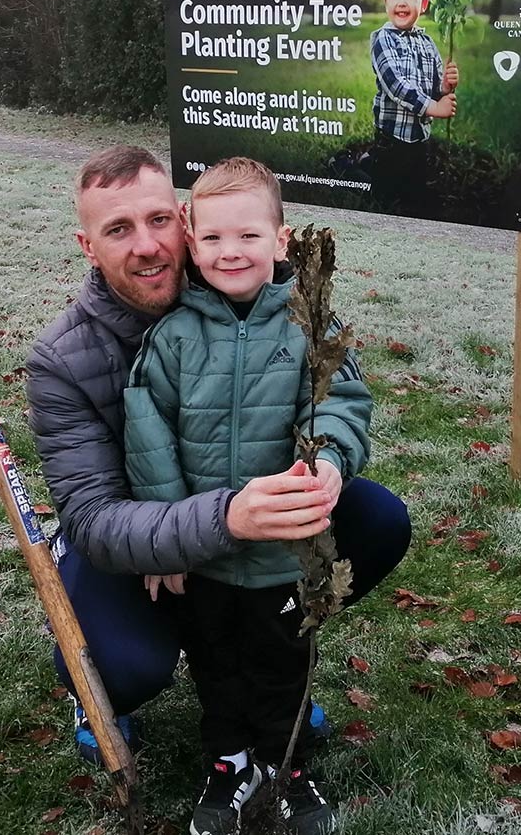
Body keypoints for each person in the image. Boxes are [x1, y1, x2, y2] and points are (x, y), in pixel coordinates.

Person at [24, 146, 411, 831]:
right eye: (118, 230)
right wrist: (218, 520)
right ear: (88, 245)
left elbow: (337, 398)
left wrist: (325, 463)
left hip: (262, 537)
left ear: (182, 220)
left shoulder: (289, 311)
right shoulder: (67, 358)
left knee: (375, 519)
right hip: (134, 545)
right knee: (136, 663)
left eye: (157, 220)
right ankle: (144, 707)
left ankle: (278, 714)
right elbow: (92, 516)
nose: (146, 245)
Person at [123, 156, 370, 835]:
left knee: (281, 656)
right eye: (213, 239)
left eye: (249, 236)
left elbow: (343, 406)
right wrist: (170, 532)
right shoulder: (171, 337)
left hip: (280, 554)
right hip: (203, 552)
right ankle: (229, 761)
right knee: (215, 658)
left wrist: (332, 463)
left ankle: (285, 762)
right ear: (191, 243)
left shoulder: (309, 329)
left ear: (282, 240)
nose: (231, 252)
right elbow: (149, 434)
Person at [370, 0, 460, 207]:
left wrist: (445, 86)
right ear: (385, 1)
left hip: (420, 137)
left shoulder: (427, 43)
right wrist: (434, 107)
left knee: (416, 189)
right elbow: (396, 86)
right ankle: (357, 166)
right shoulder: (382, 39)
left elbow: (435, 88)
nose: (401, 2)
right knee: (385, 193)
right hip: (392, 138)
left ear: (423, 4)